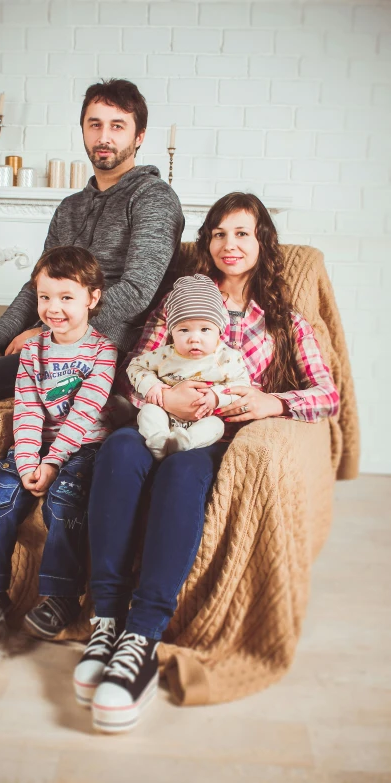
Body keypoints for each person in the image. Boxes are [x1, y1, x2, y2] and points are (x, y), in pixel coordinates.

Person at [72, 192, 340, 734]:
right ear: (207, 242)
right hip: (159, 417)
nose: (229, 244)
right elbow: (134, 369)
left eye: (242, 233)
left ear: (263, 241)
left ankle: (142, 638)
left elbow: (327, 394)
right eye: (219, 233)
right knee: (120, 447)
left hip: (216, 436)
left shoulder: (283, 321)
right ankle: (105, 621)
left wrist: (275, 401)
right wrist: (162, 397)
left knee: (182, 470)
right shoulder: (182, 298)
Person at [0, 78, 184, 535]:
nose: (104, 136)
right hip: (51, 339)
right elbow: (35, 283)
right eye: (94, 124)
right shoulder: (71, 207)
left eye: (118, 126)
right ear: (82, 130)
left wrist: (53, 331)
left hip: (97, 352)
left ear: (138, 137)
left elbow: (138, 290)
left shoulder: (153, 198)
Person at [0, 246, 117, 637]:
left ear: (92, 297)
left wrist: (52, 463)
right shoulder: (33, 349)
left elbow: (86, 412)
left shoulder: (103, 351)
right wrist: (29, 461)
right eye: (45, 297)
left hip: (82, 447)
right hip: (34, 446)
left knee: (63, 505)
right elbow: (29, 408)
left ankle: (61, 595)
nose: (54, 308)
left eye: (66, 297)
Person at [127, 273, 250, 460]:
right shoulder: (165, 355)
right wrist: (152, 385)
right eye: (183, 330)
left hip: (203, 419)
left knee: (216, 426)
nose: (194, 338)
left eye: (205, 329)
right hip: (165, 416)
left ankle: (185, 443)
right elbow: (135, 366)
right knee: (148, 411)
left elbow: (242, 385)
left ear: (219, 331)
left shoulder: (227, 358)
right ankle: (158, 441)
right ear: (172, 333)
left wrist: (217, 396)